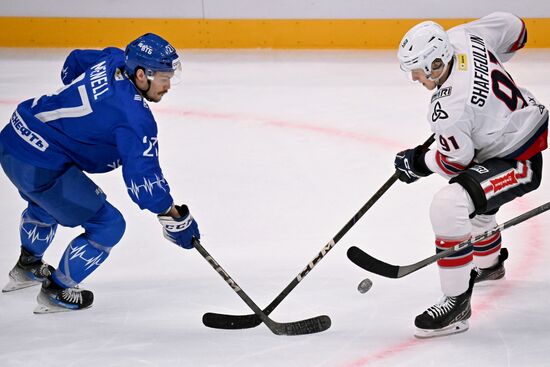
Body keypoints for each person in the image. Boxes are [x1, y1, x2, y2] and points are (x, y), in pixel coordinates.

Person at [0, 33, 200, 313]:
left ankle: (27, 267)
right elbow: (144, 183)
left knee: (44, 205)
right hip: (40, 164)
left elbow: (75, 61)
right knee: (109, 225)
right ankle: (57, 290)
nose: (168, 85)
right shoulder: (134, 119)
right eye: (164, 78)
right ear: (141, 75)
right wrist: (174, 218)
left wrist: (83, 121)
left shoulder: (115, 59)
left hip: (13, 138)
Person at [394, 12, 547, 338]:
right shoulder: (461, 37)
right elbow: (515, 29)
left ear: (436, 63)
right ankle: (490, 266)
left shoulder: (448, 109)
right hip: (510, 131)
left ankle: (456, 306)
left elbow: (454, 161)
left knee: (449, 204)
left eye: (419, 71)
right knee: (474, 198)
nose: (415, 79)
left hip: (518, 158)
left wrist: (417, 162)